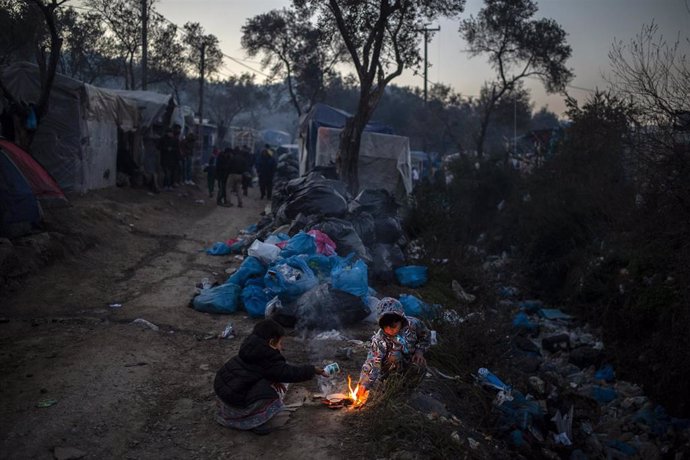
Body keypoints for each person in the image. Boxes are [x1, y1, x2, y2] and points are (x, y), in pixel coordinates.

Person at [214, 319, 328, 434]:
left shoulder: (250, 349)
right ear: (271, 342)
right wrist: (312, 370)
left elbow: (268, 372)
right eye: (279, 343)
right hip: (239, 407)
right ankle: (257, 423)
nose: (281, 347)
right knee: (277, 405)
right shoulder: (267, 357)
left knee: (275, 381)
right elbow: (289, 373)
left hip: (225, 402)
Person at [356, 297, 430, 400]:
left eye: (393, 326)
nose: (390, 330)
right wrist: (364, 384)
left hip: (410, 360)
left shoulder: (413, 324)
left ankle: (409, 388)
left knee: (419, 365)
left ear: (401, 320)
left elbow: (425, 335)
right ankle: (392, 386)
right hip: (390, 368)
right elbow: (372, 361)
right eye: (385, 327)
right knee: (395, 356)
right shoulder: (380, 339)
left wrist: (419, 351)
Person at [158, 127, 180, 191]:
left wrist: (172, 150)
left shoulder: (175, 140)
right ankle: (166, 185)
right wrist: (166, 148)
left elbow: (177, 149)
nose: (170, 134)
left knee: (170, 173)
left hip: (172, 159)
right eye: (169, 133)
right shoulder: (162, 139)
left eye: (171, 133)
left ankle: (169, 185)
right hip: (164, 158)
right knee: (167, 173)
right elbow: (158, 147)